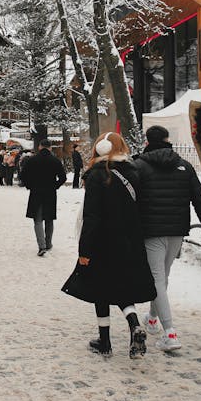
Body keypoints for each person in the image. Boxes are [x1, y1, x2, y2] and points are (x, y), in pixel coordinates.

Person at [134, 124, 201, 353]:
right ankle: (152, 318)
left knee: (157, 279)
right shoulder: (184, 166)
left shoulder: (139, 166)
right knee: (162, 277)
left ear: (147, 141)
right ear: (168, 140)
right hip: (177, 230)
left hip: (151, 231)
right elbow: (200, 200)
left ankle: (169, 332)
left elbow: (131, 202)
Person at [78, 132, 156, 359]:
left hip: (103, 240)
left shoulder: (95, 176)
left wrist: (85, 250)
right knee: (122, 285)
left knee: (100, 289)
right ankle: (134, 324)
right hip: (130, 239)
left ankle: (105, 341)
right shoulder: (135, 172)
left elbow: (91, 216)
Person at [19, 139, 67, 256]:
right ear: (50, 148)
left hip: (36, 192)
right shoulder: (55, 161)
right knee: (49, 219)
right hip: (50, 193)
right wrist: (55, 186)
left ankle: (41, 246)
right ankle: (48, 243)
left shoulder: (32, 160)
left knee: (38, 220)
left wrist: (30, 185)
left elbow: (23, 175)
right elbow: (63, 177)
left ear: (40, 147)